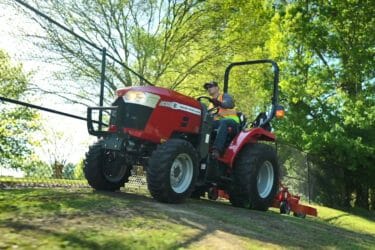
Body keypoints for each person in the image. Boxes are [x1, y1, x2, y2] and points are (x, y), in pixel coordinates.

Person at [203, 81, 240, 159]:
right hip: (218, 123)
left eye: (210, 86)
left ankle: (216, 150)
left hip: (232, 123)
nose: (208, 89)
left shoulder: (225, 96)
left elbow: (229, 104)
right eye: (207, 88)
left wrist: (219, 103)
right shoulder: (210, 105)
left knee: (223, 122)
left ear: (217, 88)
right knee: (203, 124)